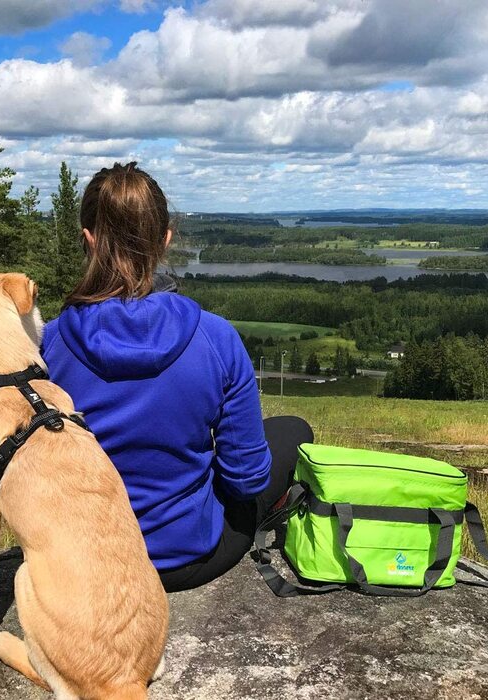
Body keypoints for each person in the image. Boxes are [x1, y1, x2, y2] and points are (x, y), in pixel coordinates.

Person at [41, 162, 313, 592]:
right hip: (188, 559)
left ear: (88, 240)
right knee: (294, 430)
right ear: (165, 240)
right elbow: (247, 481)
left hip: (84, 561)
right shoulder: (216, 338)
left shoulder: (46, 346)